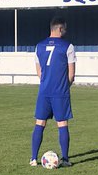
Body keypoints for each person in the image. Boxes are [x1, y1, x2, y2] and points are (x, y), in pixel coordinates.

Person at [30, 16, 76, 167]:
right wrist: (64, 86)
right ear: (61, 29)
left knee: (39, 123)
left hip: (44, 91)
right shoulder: (67, 46)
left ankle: (33, 159)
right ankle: (65, 159)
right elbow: (71, 74)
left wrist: (46, 83)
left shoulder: (39, 46)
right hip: (60, 92)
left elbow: (39, 72)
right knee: (62, 124)